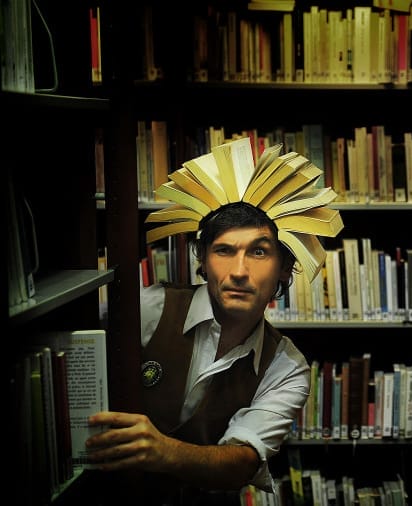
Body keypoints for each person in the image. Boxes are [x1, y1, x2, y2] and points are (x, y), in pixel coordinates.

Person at [85, 143, 342, 505]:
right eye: (224, 250)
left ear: (285, 268)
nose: (239, 271)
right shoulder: (148, 309)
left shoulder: (286, 368)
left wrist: (163, 451)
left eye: (259, 251)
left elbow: (242, 463)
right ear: (203, 261)